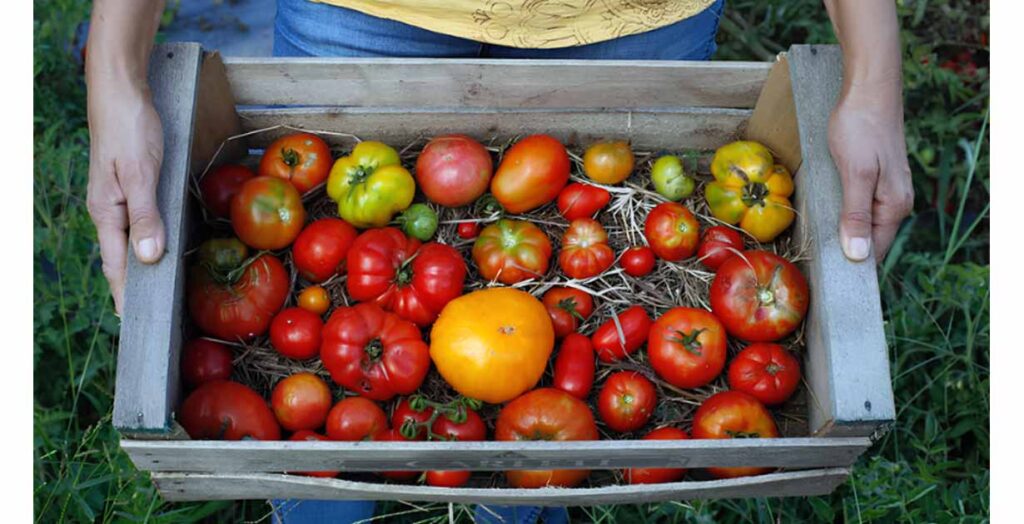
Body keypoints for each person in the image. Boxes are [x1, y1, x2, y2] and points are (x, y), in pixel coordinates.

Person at [85, 0, 913, 522]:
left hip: (633, 23)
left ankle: (513, 506)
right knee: (319, 489)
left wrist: (875, 80)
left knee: (530, 483)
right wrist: (115, 72)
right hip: (362, 13)